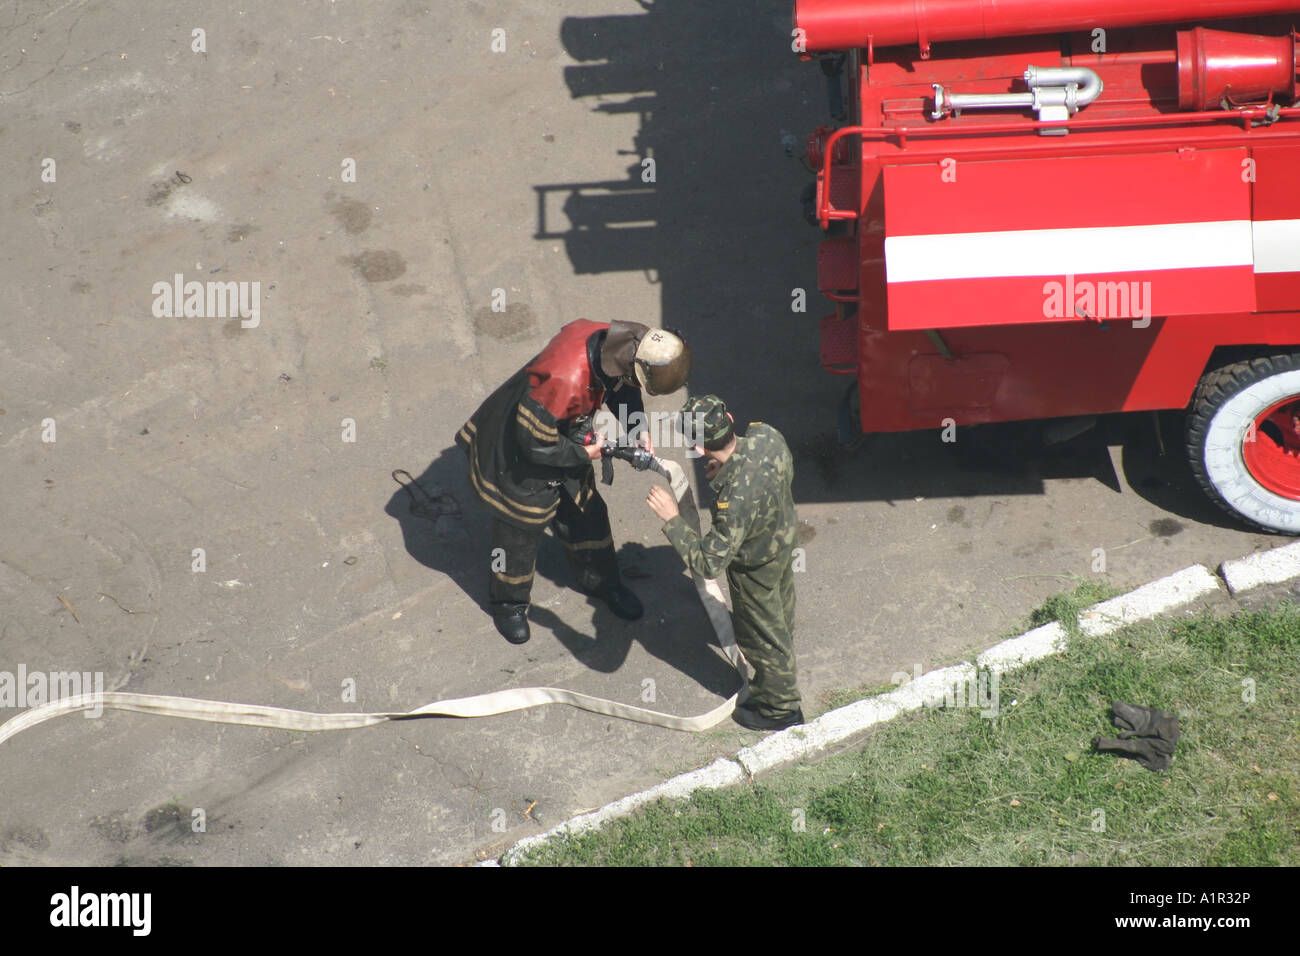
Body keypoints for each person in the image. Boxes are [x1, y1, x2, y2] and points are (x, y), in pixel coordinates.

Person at [456, 319, 690, 644]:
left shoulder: (626, 344)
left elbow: (623, 390)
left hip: (567, 432)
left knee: (588, 514)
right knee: (519, 532)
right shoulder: (565, 378)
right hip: (522, 448)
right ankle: (508, 603)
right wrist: (585, 454)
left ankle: (602, 582)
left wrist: (637, 428)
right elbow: (534, 441)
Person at [646, 395, 804, 731]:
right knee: (780, 616)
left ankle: (781, 711)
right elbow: (772, 472)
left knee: (762, 638)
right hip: (781, 542)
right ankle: (782, 651)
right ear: (729, 417)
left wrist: (672, 519)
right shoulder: (768, 437)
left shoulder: (733, 501)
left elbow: (707, 564)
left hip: (754, 566)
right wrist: (728, 471)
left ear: (699, 448)